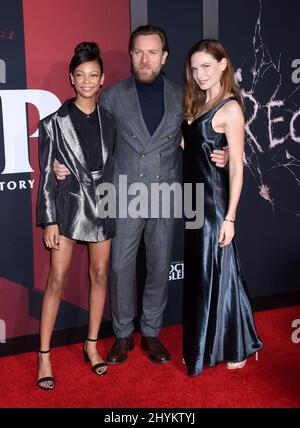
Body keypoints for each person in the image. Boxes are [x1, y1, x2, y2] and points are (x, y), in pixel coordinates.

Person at [54, 26, 228, 365]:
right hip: (120, 195)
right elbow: (91, 136)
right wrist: (65, 162)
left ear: (164, 57)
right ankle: (121, 335)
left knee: (160, 266)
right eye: (138, 52)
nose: (144, 59)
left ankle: (150, 333)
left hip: (167, 194)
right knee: (119, 268)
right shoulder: (113, 95)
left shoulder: (183, 95)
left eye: (152, 52)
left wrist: (216, 155)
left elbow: (194, 139)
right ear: (131, 56)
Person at [36, 42, 116, 390]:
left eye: (93, 75)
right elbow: (44, 176)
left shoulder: (110, 121)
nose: (87, 81)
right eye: (80, 75)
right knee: (57, 278)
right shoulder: (52, 123)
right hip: (67, 209)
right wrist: (50, 220)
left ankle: (92, 345)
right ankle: (43, 355)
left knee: (100, 275)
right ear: (71, 78)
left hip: (104, 207)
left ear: (102, 80)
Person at [182, 39, 263, 376]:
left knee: (219, 272)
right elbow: (191, 148)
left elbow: (237, 169)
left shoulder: (229, 108)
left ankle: (237, 344)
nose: (200, 74)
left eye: (207, 66)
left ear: (223, 65)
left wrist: (230, 217)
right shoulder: (197, 102)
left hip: (214, 205)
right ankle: (209, 342)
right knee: (203, 278)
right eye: (195, 67)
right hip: (192, 203)